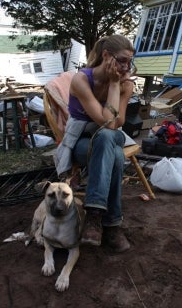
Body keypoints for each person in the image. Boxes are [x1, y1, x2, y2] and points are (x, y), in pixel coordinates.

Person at [54, 34, 136, 253]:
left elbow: (115, 124)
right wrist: (113, 84)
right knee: (115, 156)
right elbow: (106, 121)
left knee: (108, 138)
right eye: (122, 60)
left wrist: (116, 84)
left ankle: (94, 216)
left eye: (130, 61)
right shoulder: (82, 80)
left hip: (110, 137)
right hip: (81, 139)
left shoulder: (126, 84)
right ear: (107, 55)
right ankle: (112, 225)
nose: (127, 67)